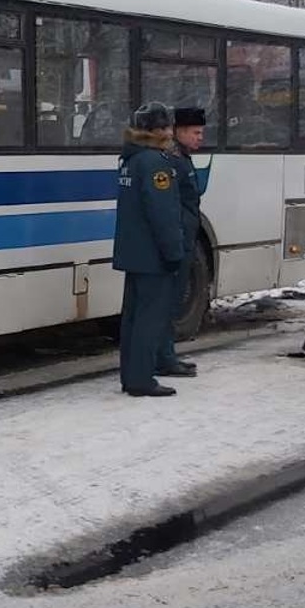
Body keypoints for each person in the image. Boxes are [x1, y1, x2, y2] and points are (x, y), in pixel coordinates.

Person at [113, 102, 185, 397]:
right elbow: (163, 214)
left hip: (132, 253)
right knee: (149, 319)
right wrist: (174, 252)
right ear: (156, 131)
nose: (170, 132)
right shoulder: (156, 164)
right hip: (153, 255)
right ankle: (142, 379)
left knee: (132, 319)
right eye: (166, 127)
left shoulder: (130, 159)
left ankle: (130, 375)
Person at [155, 106, 208, 378]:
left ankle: (167, 355)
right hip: (178, 240)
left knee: (172, 303)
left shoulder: (182, 157)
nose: (201, 138)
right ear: (181, 131)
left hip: (185, 238)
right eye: (196, 132)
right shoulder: (172, 160)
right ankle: (163, 358)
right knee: (166, 303)